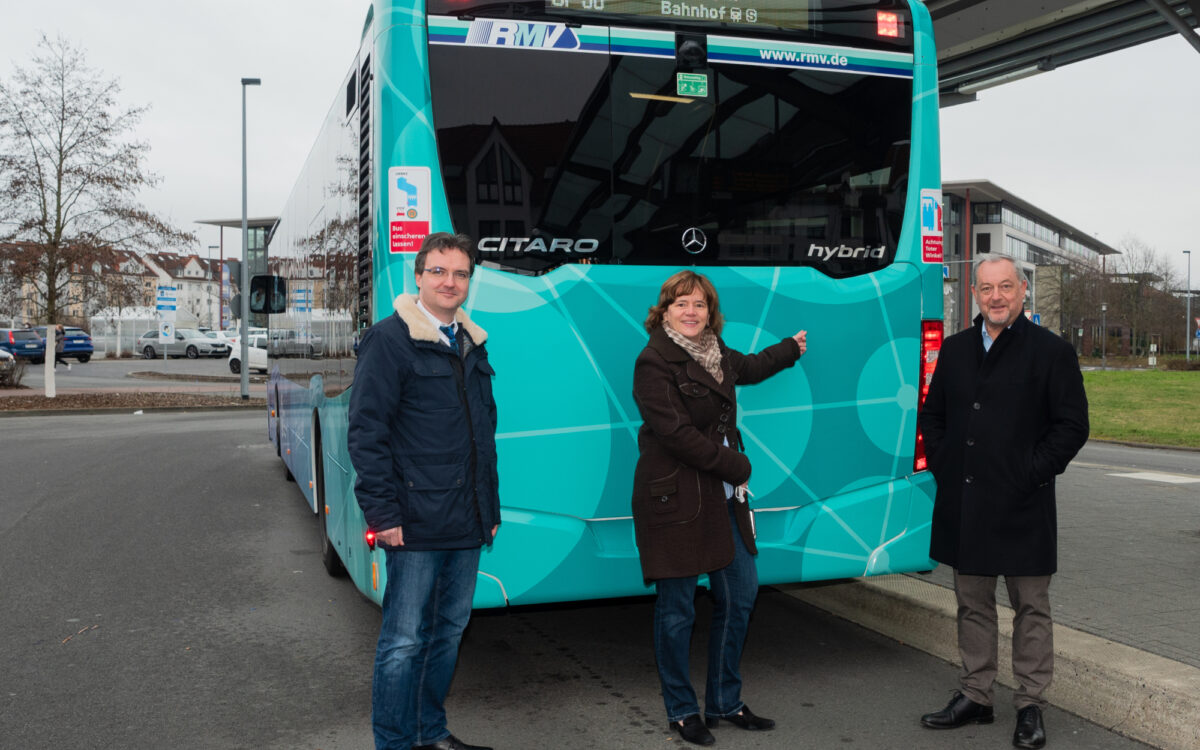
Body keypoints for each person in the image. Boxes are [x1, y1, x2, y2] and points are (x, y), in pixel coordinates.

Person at [917, 256, 1089, 749]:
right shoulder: (954, 349)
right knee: (972, 605)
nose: (996, 296)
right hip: (965, 501)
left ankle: (1031, 705)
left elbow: (1072, 426)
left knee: (1031, 608)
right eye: (987, 288)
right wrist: (947, 466)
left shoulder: (1051, 352)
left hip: (1022, 504)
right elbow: (934, 416)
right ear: (974, 293)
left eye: (1006, 287)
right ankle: (976, 695)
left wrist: (1029, 473)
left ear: (1022, 292)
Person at [631, 270, 807, 746]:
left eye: (700, 305)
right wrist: (737, 464)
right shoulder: (653, 362)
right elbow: (675, 435)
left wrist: (789, 350)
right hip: (677, 498)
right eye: (682, 303)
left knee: (741, 595)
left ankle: (726, 701)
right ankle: (683, 710)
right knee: (677, 610)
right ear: (664, 310)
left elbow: (749, 368)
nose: (691, 312)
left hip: (723, 496)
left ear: (711, 313)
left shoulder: (717, 353)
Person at [348, 231, 500, 750]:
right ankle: (393, 742)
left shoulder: (471, 342)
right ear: (419, 276)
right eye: (438, 271)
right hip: (411, 521)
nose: (449, 281)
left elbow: (484, 434)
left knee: (449, 632)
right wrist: (382, 512)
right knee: (403, 641)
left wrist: (489, 508)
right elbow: (367, 433)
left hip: (464, 519)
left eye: (460, 273)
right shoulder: (389, 340)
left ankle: (429, 732)